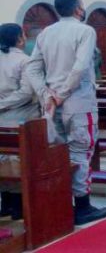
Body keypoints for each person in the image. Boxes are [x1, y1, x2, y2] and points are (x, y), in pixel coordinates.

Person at [26, 0, 106, 225]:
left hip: (52, 104)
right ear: (78, 9)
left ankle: (63, 202)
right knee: (81, 152)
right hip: (78, 102)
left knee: (59, 152)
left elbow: (32, 69)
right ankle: (82, 207)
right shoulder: (85, 30)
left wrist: (46, 94)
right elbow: (81, 66)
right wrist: (61, 94)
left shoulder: (46, 33)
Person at [0, 24, 39, 220]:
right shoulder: (25, 60)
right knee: (18, 160)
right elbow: (26, 92)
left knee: (3, 158)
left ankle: (6, 202)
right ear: (19, 38)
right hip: (19, 115)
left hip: (2, 116)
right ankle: (17, 205)